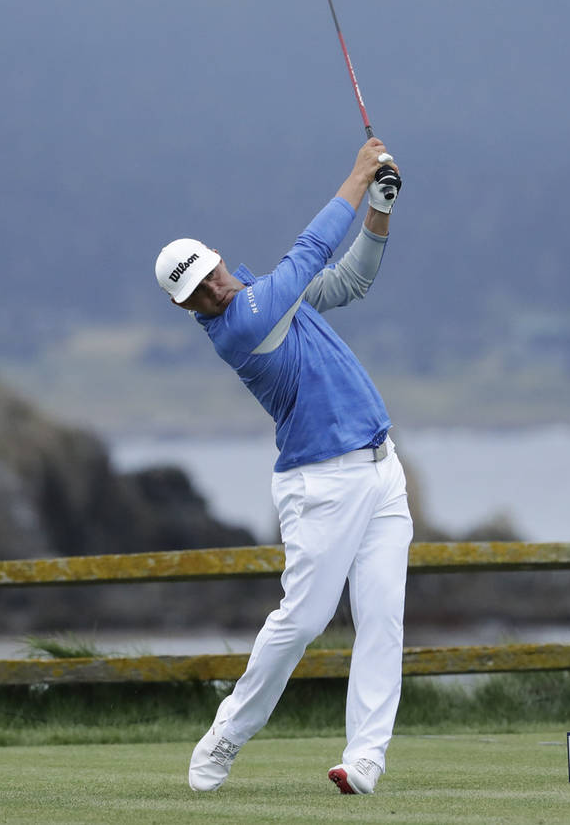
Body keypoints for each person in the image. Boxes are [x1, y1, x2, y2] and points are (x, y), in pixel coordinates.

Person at [154, 138, 413, 796]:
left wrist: (378, 212)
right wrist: (357, 177)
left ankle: (364, 761)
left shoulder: (270, 295)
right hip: (320, 484)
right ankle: (225, 737)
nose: (212, 287)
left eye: (209, 272)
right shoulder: (242, 326)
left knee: (382, 620)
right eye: (198, 292)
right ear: (189, 310)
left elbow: (349, 281)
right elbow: (311, 253)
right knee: (302, 621)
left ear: (215, 256)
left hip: (382, 471)